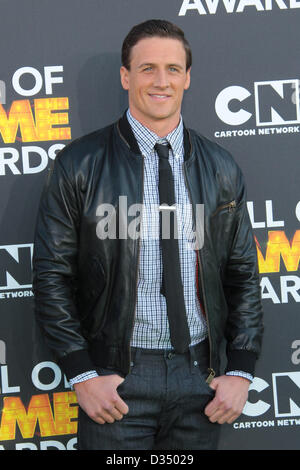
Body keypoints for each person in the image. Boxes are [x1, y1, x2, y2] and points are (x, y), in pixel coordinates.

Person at [32, 19, 263, 450]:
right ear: (126, 76)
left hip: (201, 381)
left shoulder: (220, 167)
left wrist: (242, 369)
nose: (161, 81)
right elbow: (51, 275)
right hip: (117, 381)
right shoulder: (80, 163)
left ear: (188, 77)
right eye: (147, 68)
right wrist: (83, 372)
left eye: (173, 69)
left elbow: (242, 274)